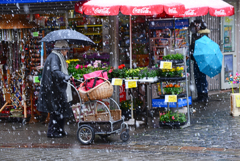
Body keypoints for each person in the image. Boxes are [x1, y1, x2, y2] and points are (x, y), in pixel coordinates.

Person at [37, 40, 73, 138]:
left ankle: (59, 130)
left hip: (55, 88)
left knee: (59, 110)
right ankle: (52, 132)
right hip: (54, 89)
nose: (67, 52)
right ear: (62, 49)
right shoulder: (54, 57)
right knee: (56, 111)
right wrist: (65, 76)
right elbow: (55, 71)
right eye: (66, 50)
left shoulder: (56, 56)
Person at [190, 19, 211, 103]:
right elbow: (192, 45)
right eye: (195, 26)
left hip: (203, 60)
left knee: (202, 78)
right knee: (197, 78)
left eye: (197, 26)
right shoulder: (194, 34)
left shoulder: (204, 34)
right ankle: (199, 95)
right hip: (196, 59)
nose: (196, 27)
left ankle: (204, 95)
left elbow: (205, 47)